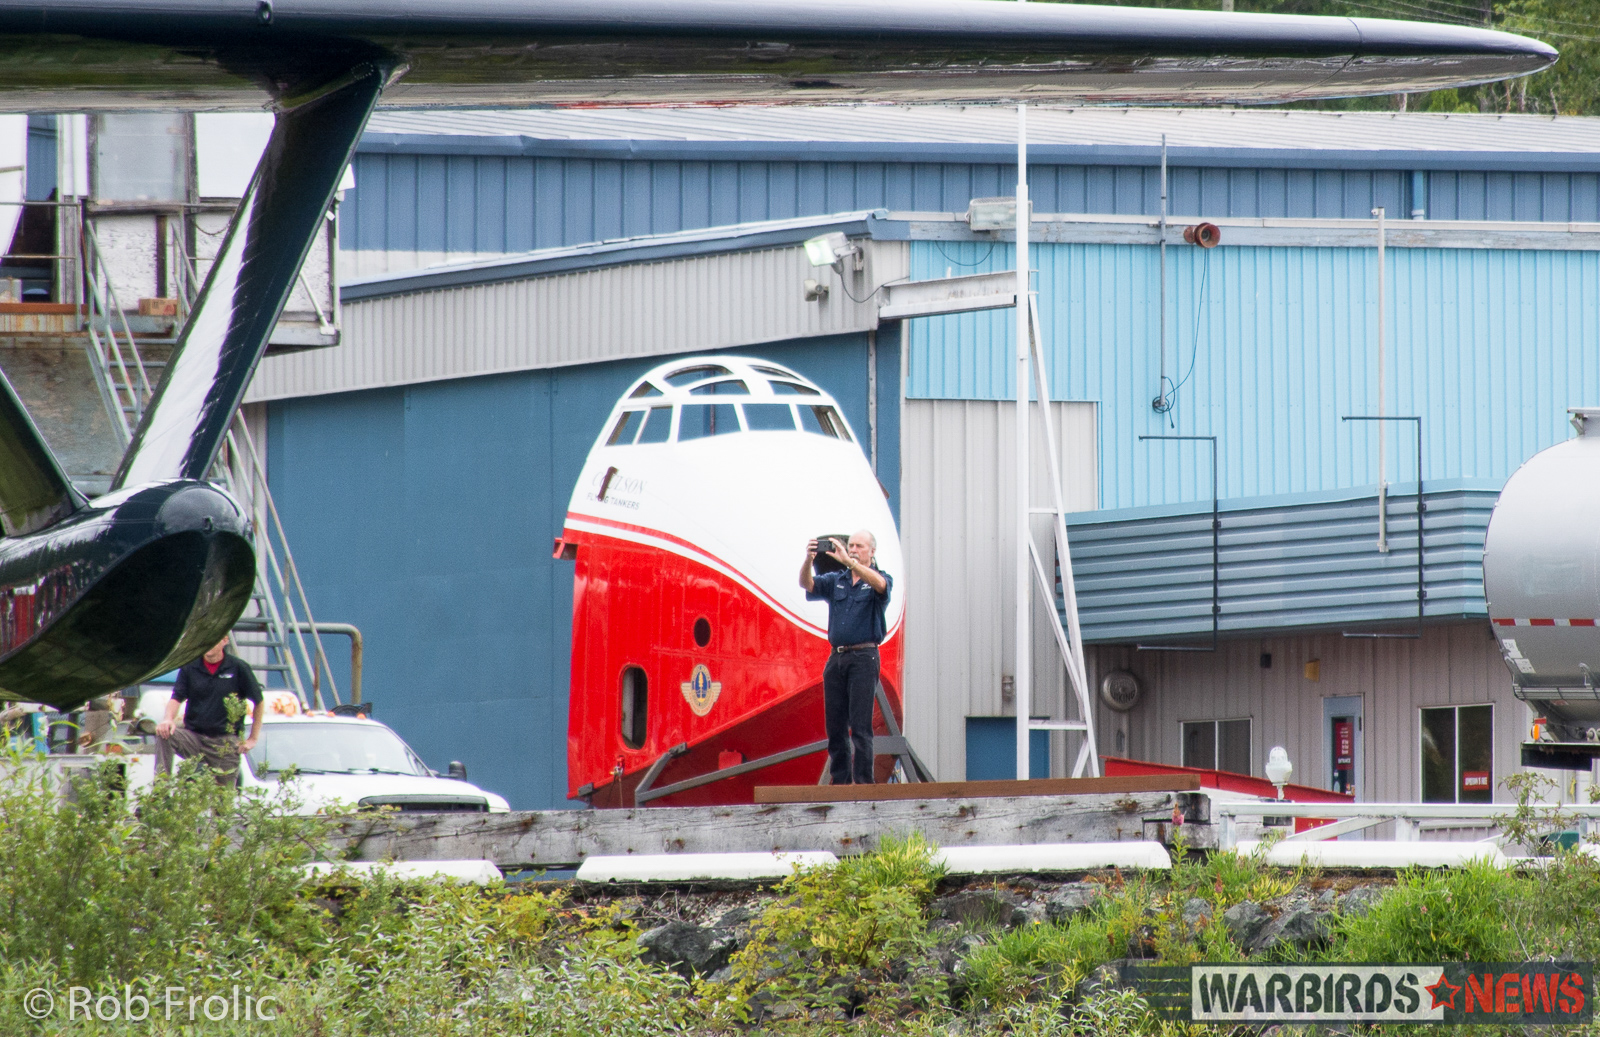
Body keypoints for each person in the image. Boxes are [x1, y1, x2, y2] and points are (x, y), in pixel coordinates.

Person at [799, 530, 892, 785]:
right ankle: (840, 782)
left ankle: (863, 784)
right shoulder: (836, 580)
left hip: (864, 657)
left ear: (872, 551)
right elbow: (807, 585)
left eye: (859, 546)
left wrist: (851, 563)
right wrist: (808, 560)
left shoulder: (878, 578)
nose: (852, 550)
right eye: (850, 545)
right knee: (835, 727)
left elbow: (881, 586)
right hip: (837, 658)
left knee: (861, 727)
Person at [154, 634, 264, 785]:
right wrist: (168, 719)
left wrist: (253, 738)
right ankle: (160, 790)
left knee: (223, 802)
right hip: (195, 737)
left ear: (224, 640)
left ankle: (222, 805)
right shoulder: (190, 666)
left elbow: (259, 701)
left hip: (224, 742)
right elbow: (176, 697)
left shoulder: (238, 667)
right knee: (164, 734)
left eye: (212, 641)